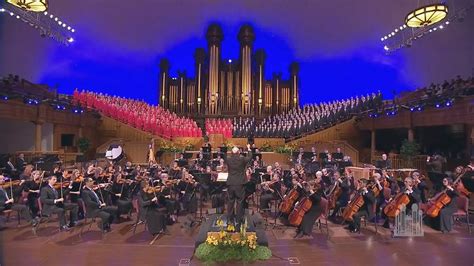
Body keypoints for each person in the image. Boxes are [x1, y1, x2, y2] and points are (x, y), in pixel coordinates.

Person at [225, 144, 252, 225]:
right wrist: (249, 148)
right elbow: (250, 157)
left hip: (230, 183)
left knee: (230, 201)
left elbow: (224, 155)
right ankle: (238, 220)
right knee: (240, 202)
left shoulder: (228, 159)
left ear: (232, 153)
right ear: (238, 152)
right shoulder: (242, 159)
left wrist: (227, 150)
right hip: (240, 184)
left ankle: (230, 219)